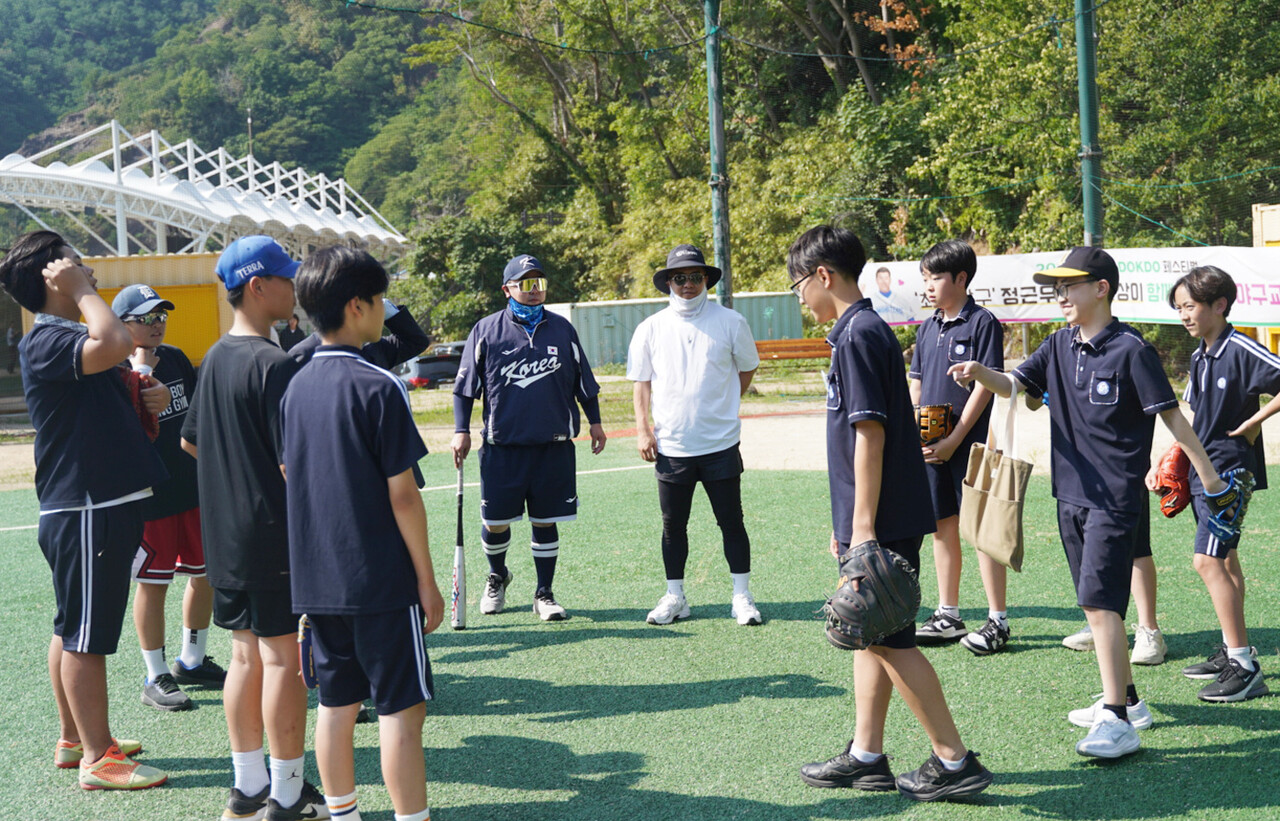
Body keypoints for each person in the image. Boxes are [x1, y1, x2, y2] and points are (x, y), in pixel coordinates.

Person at [950, 246, 1230, 759]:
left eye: (1070, 286)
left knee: (1101, 605)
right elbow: (1016, 384)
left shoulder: (1132, 350)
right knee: (1092, 601)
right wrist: (979, 372)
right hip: (1070, 495)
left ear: (1101, 288)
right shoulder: (1059, 344)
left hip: (1115, 499)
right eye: (1056, 287)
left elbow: (1171, 417)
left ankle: (1118, 722)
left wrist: (1207, 475)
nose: (1060, 295)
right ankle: (1125, 699)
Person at [789, 225, 992, 801]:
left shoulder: (857, 335)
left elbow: (869, 434)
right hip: (883, 514)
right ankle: (867, 755)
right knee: (869, 632)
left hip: (881, 519)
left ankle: (955, 763)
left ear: (824, 275)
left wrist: (860, 529)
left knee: (892, 640)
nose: (800, 295)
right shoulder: (863, 329)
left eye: (801, 283)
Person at [1, 231, 169, 789]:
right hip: (88, 506)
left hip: (90, 504)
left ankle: (76, 739)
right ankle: (100, 760)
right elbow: (117, 338)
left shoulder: (62, 336)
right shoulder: (48, 337)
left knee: (72, 626)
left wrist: (150, 397)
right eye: (76, 261)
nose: (89, 269)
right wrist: (77, 289)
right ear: (53, 277)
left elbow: (113, 361)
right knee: (86, 637)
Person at [282, 246, 444, 821]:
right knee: (403, 710)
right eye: (379, 300)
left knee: (335, 705)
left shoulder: (294, 388)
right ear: (358, 307)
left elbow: (289, 475)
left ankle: (344, 813)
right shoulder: (379, 386)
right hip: (380, 579)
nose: (382, 309)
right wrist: (426, 580)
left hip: (317, 580)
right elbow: (403, 494)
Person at [180, 236, 328, 821]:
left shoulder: (214, 357)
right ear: (258, 286)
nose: (296, 288)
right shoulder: (276, 364)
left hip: (226, 537)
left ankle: (247, 788)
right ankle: (287, 794)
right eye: (288, 278)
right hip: (272, 537)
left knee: (243, 659)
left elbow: (191, 441)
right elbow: (296, 463)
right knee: (281, 662)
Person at [451, 254, 606, 622]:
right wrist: (460, 430)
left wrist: (595, 422)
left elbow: (584, 382)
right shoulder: (486, 330)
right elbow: (464, 388)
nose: (535, 291)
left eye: (540, 283)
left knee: (545, 519)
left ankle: (544, 593)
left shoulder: (562, 329)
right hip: (503, 447)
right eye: (526, 284)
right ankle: (497, 576)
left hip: (553, 445)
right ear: (507, 289)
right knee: (497, 522)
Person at [627, 244, 763, 626]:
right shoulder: (650, 327)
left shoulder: (731, 321)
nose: (688, 284)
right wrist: (643, 430)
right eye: (680, 277)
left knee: (731, 522)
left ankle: (742, 596)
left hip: (720, 443)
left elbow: (747, 369)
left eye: (695, 277)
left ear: (707, 280)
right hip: (672, 446)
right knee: (673, 526)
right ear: (669, 282)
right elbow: (642, 384)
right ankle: (675, 596)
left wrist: (724, 400)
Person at [1164, 265, 1278, 701]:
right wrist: (1172, 455)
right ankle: (1237, 651)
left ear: (1219, 305)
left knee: (1206, 562)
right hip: (1200, 469)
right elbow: (1194, 416)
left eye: (1189, 307)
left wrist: (1254, 422)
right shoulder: (1198, 355)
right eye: (1178, 309)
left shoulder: (1242, 349)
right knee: (1225, 559)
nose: (1183, 316)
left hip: (1228, 472)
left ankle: (1244, 669)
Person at [112, 285, 225, 714]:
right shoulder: (113, 368)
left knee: (205, 574)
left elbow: (198, 418)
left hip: (192, 487)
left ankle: (191, 660)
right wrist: (138, 372)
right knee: (153, 583)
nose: (157, 323)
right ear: (122, 324)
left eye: (161, 315)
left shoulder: (176, 358)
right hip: (150, 495)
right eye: (145, 317)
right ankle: (154, 673)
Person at [907, 240, 1009, 654]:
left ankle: (997, 620)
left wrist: (954, 438)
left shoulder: (983, 323)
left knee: (982, 532)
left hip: (972, 445)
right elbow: (916, 381)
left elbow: (987, 389)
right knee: (942, 526)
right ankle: (948, 613)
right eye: (925, 278)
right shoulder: (927, 327)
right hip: (931, 447)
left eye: (935, 278)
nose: (928, 286)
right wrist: (918, 428)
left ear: (961, 279)